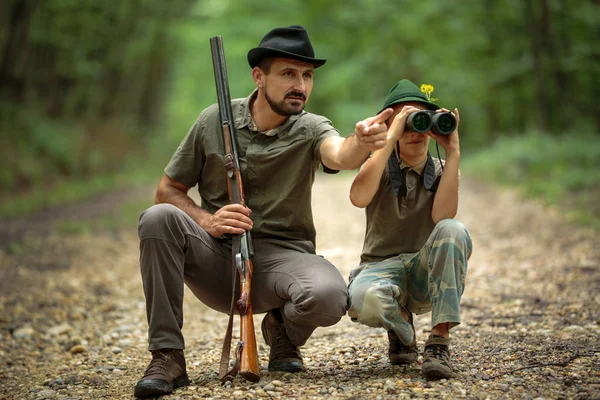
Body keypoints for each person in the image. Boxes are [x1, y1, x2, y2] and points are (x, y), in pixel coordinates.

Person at [133, 25, 393, 398]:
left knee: (329, 295)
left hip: (281, 263)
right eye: (288, 73)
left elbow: (340, 153)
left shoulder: (311, 127)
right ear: (259, 76)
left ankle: (282, 330)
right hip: (217, 257)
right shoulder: (212, 120)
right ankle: (167, 356)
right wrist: (208, 221)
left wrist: (362, 142)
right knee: (156, 218)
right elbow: (167, 190)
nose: (300, 85)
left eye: (307, 76)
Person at [346, 79, 472, 380]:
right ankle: (402, 326)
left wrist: (453, 152)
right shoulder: (378, 165)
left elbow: (444, 217)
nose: (414, 132)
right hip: (380, 268)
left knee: (454, 229)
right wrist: (389, 137)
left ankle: (439, 340)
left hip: (423, 272)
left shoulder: (442, 170)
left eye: (420, 121)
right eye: (407, 122)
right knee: (362, 301)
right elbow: (358, 197)